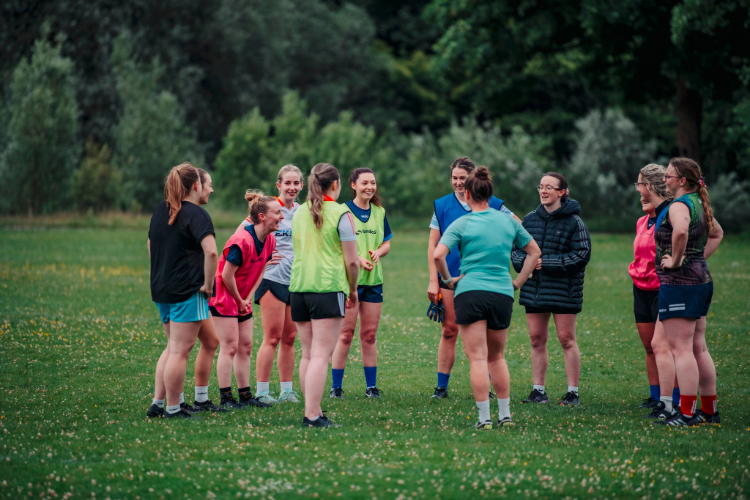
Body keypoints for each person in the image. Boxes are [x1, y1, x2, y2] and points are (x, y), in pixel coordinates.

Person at [434, 167, 540, 428]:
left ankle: (485, 419)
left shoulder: (463, 222)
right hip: (502, 293)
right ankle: (506, 416)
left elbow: (438, 255)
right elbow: (534, 252)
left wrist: (448, 280)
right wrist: (517, 281)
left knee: (478, 358)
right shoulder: (508, 221)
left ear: (467, 194)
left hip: (469, 291)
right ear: (490, 195)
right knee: (497, 357)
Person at [427, 157, 518, 399]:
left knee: (483, 335)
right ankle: (441, 387)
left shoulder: (495, 204)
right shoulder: (442, 205)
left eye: (462, 178)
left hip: (481, 278)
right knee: (449, 330)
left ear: (472, 180)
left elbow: (518, 226)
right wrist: (434, 280)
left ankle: (486, 389)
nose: (457, 182)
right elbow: (432, 246)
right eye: (454, 178)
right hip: (450, 278)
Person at [653, 157, 724, 426]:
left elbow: (680, 232)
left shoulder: (680, 205)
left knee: (681, 350)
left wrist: (677, 260)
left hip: (681, 284)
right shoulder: (698, 202)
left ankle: (686, 414)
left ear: (682, 181)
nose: (665, 180)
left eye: (668, 176)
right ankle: (709, 412)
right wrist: (697, 259)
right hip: (701, 281)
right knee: (698, 348)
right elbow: (718, 233)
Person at [289, 163, 359, 427]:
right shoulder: (341, 213)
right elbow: (352, 263)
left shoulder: (298, 212)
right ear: (336, 184)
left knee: (308, 354)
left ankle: (313, 410)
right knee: (320, 355)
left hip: (298, 288)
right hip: (327, 288)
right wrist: (353, 289)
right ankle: (312, 415)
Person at [512, 172, 591, 406]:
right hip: (534, 289)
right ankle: (538, 391)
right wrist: (526, 264)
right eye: (541, 186)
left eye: (549, 187)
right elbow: (516, 252)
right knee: (536, 339)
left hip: (564, 290)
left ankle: (572, 393)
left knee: (566, 339)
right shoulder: (529, 220)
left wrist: (545, 263)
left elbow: (581, 255)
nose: (543, 191)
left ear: (562, 192)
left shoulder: (575, 222)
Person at [146, 162, 218, 419]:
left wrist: (161, 273)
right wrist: (208, 286)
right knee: (179, 350)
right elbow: (211, 252)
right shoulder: (196, 214)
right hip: (187, 290)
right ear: (196, 185)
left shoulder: (160, 210)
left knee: (177, 345)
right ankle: (173, 408)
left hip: (162, 289)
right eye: (208, 185)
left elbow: (150, 245)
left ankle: (157, 403)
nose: (210, 190)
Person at [210, 191, 279, 410]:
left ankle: (245, 395)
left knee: (245, 346)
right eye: (277, 213)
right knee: (229, 346)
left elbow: (260, 271)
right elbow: (226, 276)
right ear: (262, 217)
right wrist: (239, 299)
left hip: (241, 297)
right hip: (224, 296)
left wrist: (247, 299)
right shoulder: (241, 241)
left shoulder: (270, 239)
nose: (281, 217)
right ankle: (226, 398)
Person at [330, 168, 393, 398]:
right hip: (348, 282)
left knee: (369, 335)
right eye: (365, 182)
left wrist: (378, 252)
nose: (370, 187)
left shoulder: (379, 211)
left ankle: (371, 387)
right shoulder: (341, 211)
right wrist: (356, 258)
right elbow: (335, 246)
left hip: (374, 282)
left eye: (373, 183)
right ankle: (336, 387)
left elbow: (386, 243)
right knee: (345, 334)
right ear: (353, 185)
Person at [246, 165, 304, 404]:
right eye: (287, 183)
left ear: (302, 186)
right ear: (278, 185)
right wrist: (263, 257)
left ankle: (287, 391)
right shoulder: (269, 209)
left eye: (296, 183)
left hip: (296, 281)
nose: (292, 187)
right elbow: (243, 236)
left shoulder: (303, 212)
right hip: (271, 279)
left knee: (290, 337)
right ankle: (261, 392)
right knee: (272, 337)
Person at [630, 164, 682, 419]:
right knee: (649, 346)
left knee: (664, 346)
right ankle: (654, 395)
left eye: (639, 185)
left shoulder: (670, 216)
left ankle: (672, 398)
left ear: (649, 186)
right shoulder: (641, 221)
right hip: (640, 288)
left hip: (662, 287)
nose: (638, 193)